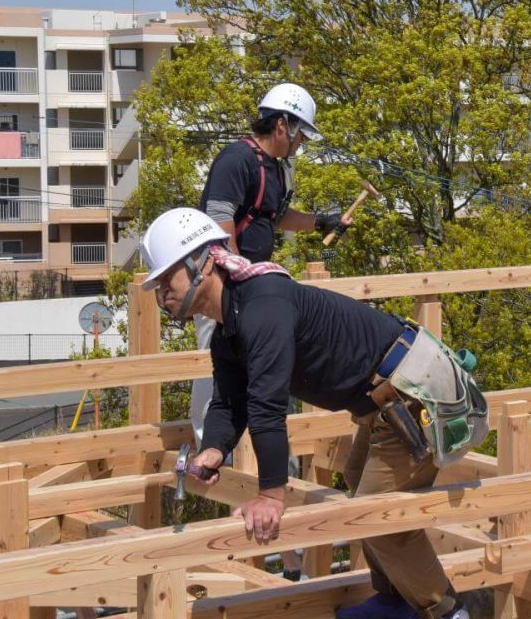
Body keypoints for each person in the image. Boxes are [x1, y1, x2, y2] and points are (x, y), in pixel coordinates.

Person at [141, 208, 481, 619]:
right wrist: (213, 448)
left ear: (206, 261)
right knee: (359, 481)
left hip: (416, 393)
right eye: (157, 284)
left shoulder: (262, 305)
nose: (162, 293)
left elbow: (267, 405)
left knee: (376, 513)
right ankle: (396, 600)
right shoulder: (228, 329)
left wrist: (271, 495)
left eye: (166, 278)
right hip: (386, 403)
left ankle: (447, 612)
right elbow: (230, 401)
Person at [192, 81, 350, 579]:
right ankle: (222, 515)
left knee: (268, 396)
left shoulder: (276, 170)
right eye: (299, 135)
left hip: (256, 294)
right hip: (224, 291)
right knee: (226, 401)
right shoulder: (234, 162)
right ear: (281, 124)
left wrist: (322, 221)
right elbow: (220, 235)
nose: (300, 145)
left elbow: (276, 220)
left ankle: (280, 543)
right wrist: (241, 286)